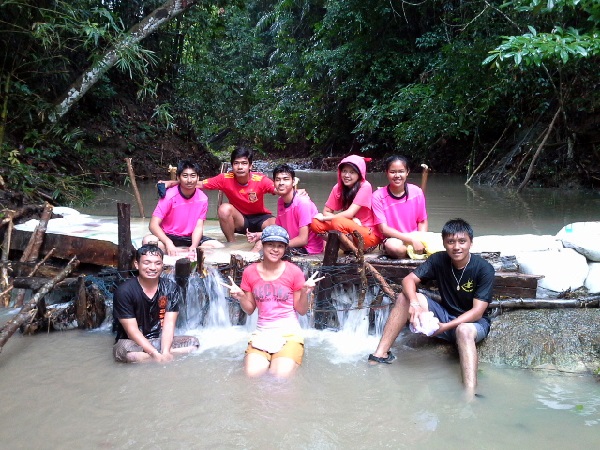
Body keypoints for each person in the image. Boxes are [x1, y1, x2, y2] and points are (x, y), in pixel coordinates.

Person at [368, 218, 495, 395]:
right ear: (444, 243)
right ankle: (379, 354)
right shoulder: (438, 259)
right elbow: (408, 280)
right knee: (404, 297)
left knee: (463, 330)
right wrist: (415, 304)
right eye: (451, 242)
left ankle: (470, 393)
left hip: (472, 324)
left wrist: (445, 327)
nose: (456, 247)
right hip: (445, 314)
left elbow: (477, 312)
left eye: (462, 241)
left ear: (470, 243)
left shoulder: (484, 269)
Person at [219, 225, 323, 377]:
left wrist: (304, 292)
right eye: (270, 244)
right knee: (252, 375)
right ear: (263, 245)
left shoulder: (294, 271)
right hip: (262, 333)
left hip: (289, 334)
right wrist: (241, 297)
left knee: (280, 377)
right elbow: (249, 309)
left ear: (285, 248)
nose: (275, 249)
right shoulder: (250, 272)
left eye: (280, 246)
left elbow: (301, 310)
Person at [112, 244, 200, 363]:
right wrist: (154, 353)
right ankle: (156, 357)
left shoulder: (170, 288)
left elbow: (169, 324)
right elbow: (132, 331)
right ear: (137, 264)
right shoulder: (124, 291)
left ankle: (158, 356)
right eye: (147, 263)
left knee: (194, 343)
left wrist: (165, 351)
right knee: (125, 352)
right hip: (134, 343)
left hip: (160, 340)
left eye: (157, 263)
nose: (152, 268)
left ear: (162, 265)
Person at [143, 160, 223, 257]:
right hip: (168, 235)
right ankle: (180, 251)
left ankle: (182, 251)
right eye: (185, 176)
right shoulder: (169, 196)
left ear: (198, 177)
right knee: (148, 241)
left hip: (189, 238)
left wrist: (194, 246)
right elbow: (153, 225)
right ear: (178, 177)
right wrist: (168, 243)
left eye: (193, 176)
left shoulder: (203, 198)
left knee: (218, 246)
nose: (189, 180)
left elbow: (198, 227)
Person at [246, 164, 324, 255]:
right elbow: (279, 228)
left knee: (265, 246)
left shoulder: (303, 203)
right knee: (261, 242)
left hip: (309, 249)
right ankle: (249, 258)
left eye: (285, 179)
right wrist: (259, 235)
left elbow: (303, 240)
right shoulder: (281, 201)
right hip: (293, 242)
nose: (281, 183)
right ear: (274, 183)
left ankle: (249, 259)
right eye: (277, 180)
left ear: (293, 182)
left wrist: (278, 244)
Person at [310, 155, 381, 251]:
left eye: (352, 172)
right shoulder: (338, 187)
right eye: (344, 171)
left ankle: (357, 249)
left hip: (367, 233)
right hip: (349, 226)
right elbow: (326, 211)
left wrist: (325, 218)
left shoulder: (365, 186)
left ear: (360, 174)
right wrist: (351, 220)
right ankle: (347, 247)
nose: (347, 175)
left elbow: (349, 213)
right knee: (315, 223)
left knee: (338, 222)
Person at [372, 155, 428, 259]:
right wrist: (411, 241)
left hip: (415, 235)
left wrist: (421, 240)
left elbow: (422, 221)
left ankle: (416, 251)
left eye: (401, 171)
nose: (397, 175)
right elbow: (384, 229)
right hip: (394, 239)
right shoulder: (377, 196)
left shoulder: (417, 192)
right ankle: (411, 253)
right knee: (394, 247)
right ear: (387, 173)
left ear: (407, 172)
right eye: (393, 172)